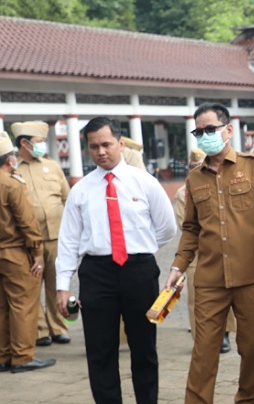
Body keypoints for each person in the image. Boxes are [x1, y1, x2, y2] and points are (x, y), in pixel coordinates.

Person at [164, 103, 254, 404]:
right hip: (209, 280)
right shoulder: (194, 179)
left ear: (228, 130)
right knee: (203, 351)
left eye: (210, 129)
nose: (204, 135)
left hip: (252, 277)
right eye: (199, 132)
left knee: (252, 349)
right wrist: (178, 267)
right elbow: (191, 229)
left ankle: (247, 399)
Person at [56, 117, 177, 403]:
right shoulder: (81, 191)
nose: (101, 152)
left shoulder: (145, 183)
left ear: (120, 144)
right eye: (94, 146)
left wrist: (140, 248)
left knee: (144, 349)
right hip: (97, 274)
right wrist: (63, 286)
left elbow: (167, 228)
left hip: (139, 272)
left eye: (106, 144)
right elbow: (69, 241)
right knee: (100, 352)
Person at [10, 121, 71, 347]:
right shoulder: (12, 169)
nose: (43, 146)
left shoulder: (52, 166)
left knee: (57, 284)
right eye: (39, 142)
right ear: (24, 143)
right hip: (27, 241)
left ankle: (59, 327)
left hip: (56, 237)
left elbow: (67, 197)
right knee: (32, 286)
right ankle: (40, 330)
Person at [0, 131, 54, 373]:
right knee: (23, 304)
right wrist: (38, 253)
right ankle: (22, 357)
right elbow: (27, 223)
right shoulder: (13, 185)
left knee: (2, 306)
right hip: (15, 252)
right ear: (10, 160)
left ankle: (3, 356)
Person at [173, 148, 235, 354]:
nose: (196, 170)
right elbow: (186, 226)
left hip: (223, 250)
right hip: (197, 255)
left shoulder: (221, 186)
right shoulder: (182, 194)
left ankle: (225, 333)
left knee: (226, 293)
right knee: (196, 298)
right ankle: (200, 336)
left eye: (199, 166)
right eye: (192, 167)